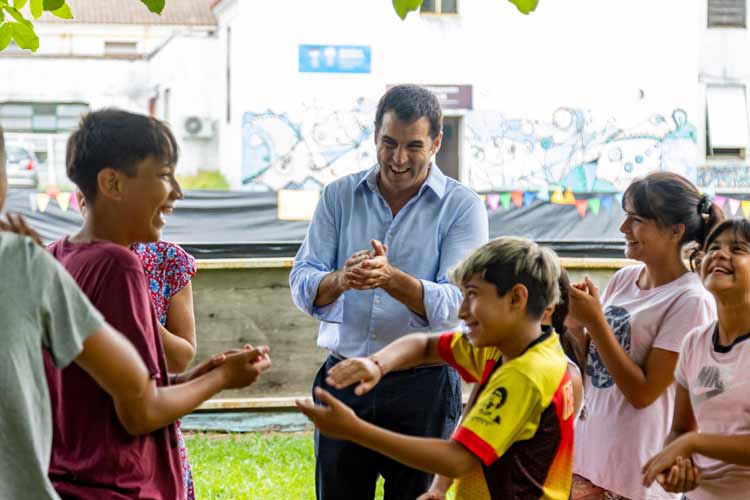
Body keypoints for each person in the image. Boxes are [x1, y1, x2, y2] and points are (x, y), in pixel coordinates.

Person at [43, 109, 272, 500]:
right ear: (111, 183)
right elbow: (140, 414)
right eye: (164, 175)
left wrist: (197, 376)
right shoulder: (119, 266)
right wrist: (222, 380)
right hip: (118, 487)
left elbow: (110, 395)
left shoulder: (56, 257)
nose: (178, 192)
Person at [289, 84, 488, 499]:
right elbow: (302, 283)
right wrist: (341, 280)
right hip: (344, 376)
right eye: (389, 143)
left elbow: (460, 307)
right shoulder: (338, 196)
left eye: (413, 146)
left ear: (436, 142)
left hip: (424, 387)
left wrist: (390, 279)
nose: (398, 158)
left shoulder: (462, 206)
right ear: (375, 137)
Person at [298, 236, 576, 500]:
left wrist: (354, 429)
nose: (461, 311)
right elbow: (425, 346)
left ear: (516, 298)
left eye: (473, 295)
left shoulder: (524, 374)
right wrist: (376, 365)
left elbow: (457, 459)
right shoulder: (509, 348)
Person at [568, 172, 721, 500]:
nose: (623, 228)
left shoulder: (691, 300)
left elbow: (643, 392)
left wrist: (595, 322)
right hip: (587, 461)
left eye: (635, 219)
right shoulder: (624, 279)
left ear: (675, 230)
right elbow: (592, 370)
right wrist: (575, 324)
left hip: (634, 479)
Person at [418, 267, 586, 500]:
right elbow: (469, 421)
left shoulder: (558, 374)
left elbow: (467, 455)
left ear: (547, 310)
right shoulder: (496, 353)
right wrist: (439, 487)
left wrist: (359, 430)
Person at [643, 218, 750, 499]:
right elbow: (680, 428)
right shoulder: (694, 342)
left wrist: (693, 443)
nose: (720, 254)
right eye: (714, 247)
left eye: (738, 250)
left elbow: (689, 438)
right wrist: (677, 466)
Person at [132, 240, 198, 500]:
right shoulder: (56, 260)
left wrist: (139, 310)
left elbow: (181, 359)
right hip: (82, 442)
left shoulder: (168, 259)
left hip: (154, 437)